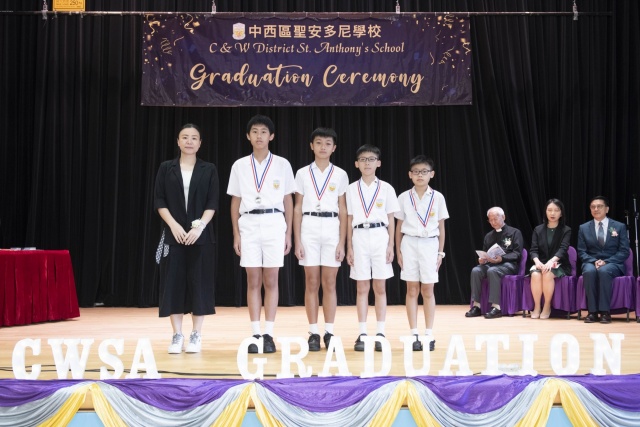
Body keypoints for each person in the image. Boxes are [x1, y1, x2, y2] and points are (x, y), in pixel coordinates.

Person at [227, 114, 295, 353]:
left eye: (263, 132)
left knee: (271, 279)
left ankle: (269, 334)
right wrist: (236, 234)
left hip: (274, 222)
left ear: (271, 136)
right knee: (253, 279)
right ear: (248, 136)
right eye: (254, 131)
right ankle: (255, 333)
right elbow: (235, 201)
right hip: (248, 223)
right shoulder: (239, 165)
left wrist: (288, 234)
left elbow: (288, 200)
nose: (259, 136)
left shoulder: (283, 164)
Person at [154, 123, 219, 354]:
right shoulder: (166, 168)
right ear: (178, 141)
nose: (189, 141)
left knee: (199, 284)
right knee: (173, 284)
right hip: (174, 236)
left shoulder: (209, 169)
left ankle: (196, 334)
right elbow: (159, 200)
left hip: (200, 237)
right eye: (185, 137)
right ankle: (177, 335)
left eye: (194, 138)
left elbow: (212, 202)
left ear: (200, 143)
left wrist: (199, 227)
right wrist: (173, 225)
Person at [293, 128, 349, 351]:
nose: (323, 147)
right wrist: (297, 240)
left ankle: (329, 332)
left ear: (334, 148)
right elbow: (297, 208)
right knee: (311, 281)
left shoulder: (340, 174)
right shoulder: (302, 173)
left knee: (330, 282)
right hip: (309, 227)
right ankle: (313, 332)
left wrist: (342, 242)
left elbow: (343, 209)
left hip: (332, 227)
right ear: (311, 146)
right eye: (318, 142)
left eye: (327, 143)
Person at [346, 144, 400, 351]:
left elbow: (391, 219)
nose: (367, 163)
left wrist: (391, 245)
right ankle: (362, 333)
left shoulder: (387, 188)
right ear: (356, 164)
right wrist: (349, 246)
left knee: (380, 287)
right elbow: (349, 218)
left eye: (371, 159)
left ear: (379, 163)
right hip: (359, 236)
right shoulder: (351, 189)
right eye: (363, 159)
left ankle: (380, 333)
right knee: (361, 287)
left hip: (380, 236)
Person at [395, 155, 448, 352]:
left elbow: (441, 227)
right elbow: (398, 227)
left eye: (424, 171)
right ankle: (414, 333)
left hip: (430, 244)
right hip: (409, 243)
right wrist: (398, 250)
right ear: (410, 174)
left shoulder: (438, 197)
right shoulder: (403, 197)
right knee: (411, 290)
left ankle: (428, 333)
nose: (420, 175)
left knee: (428, 289)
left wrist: (440, 253)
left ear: (431, 174)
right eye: (416, 172)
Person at [577, 196, 630, 324]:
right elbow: (581, 251)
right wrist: (593, 261)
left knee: (604, 271)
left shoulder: (619, 226)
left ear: (607, 209)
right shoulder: (584, 228)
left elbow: (624, 251)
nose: (596, 209)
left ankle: (605, 312)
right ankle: (592, 312)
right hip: (591, 262)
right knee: (589, 272)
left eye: (599, 206)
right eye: (593, 207)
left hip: (612, 263)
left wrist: (606, 261)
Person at [465, 207, 523, 319]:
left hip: (509, 264)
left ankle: (496, 307)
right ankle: (476, 306)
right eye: (490, 220)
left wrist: (502, 259)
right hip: (492, 264)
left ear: (503, 217)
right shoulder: (489, 236)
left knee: (493, 271)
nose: (493, 222)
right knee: (476, 270)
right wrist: (483, 259)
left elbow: (517, 254)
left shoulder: (515, 232)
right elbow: (486, 253)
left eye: (495, 219)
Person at [529, 199, 572, 319]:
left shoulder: (566, 230)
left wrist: (552, 261)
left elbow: (563, 249)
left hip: (560, 264)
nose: (552, 213)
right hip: (541, 263)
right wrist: (537, 262)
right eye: (549, 210)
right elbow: (533, 250)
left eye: (556, 210)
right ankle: (537, 306)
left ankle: (547, 306)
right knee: (535, 275)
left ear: (561, 213)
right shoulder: (538, 230)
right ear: (545, 212)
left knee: (548, 274)